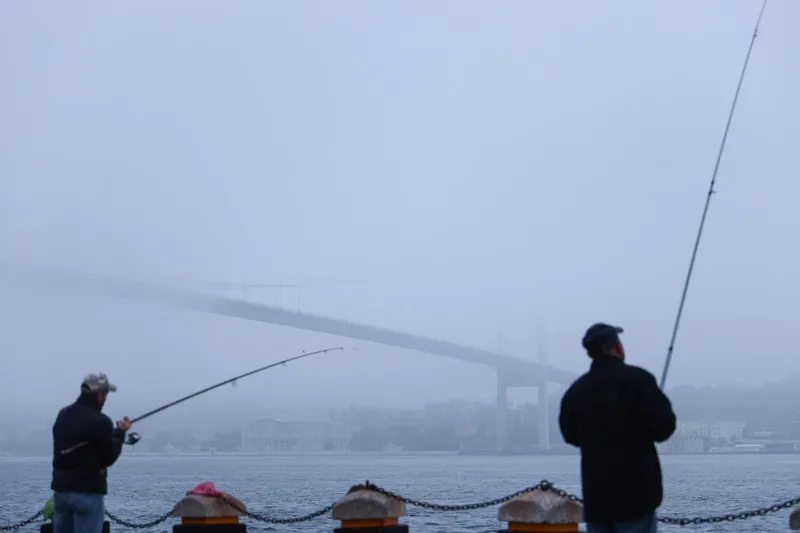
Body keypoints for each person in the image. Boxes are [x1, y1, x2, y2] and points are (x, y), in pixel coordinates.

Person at [559, 323, 676, 533]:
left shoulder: (577, 390)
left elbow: (570, 435)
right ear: (616, 346)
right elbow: (664, 429)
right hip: (637, 498)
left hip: (597, 499)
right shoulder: (640, 380)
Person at [52, 373, 131, 533]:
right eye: (106, 394)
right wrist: (120, 433)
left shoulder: (63, 414)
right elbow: (109, 457)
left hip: (61, 492)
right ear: (100, 395)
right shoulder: (101, 421)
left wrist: (113, 434)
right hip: (87, 493)